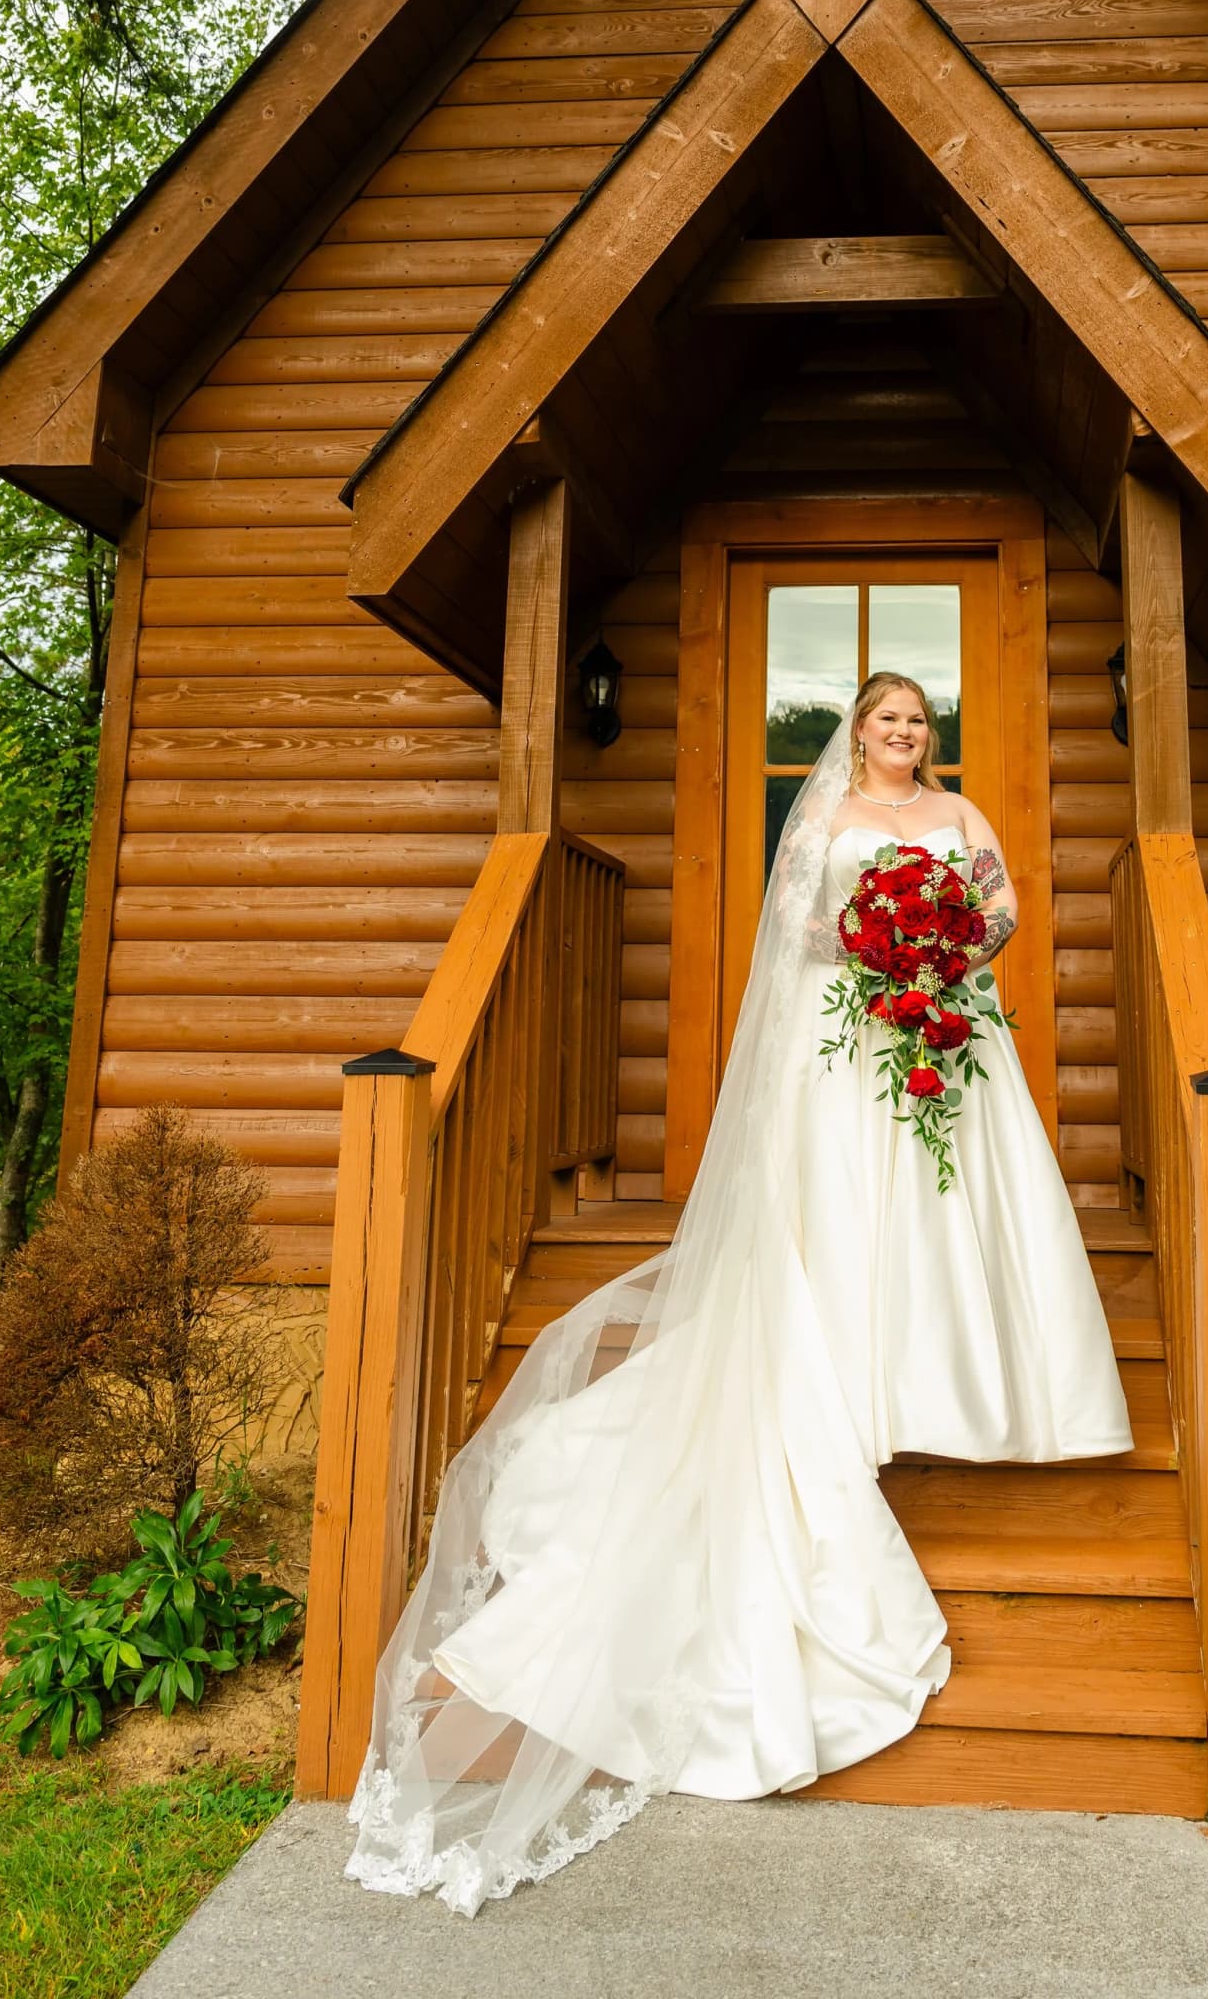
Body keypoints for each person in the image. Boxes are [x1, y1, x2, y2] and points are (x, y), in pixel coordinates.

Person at [346, 674, 1130, 1912]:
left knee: (951, 1209)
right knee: (844, 1213)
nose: (905, 737)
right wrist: (878, 949)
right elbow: (797, 932)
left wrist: (943, 945)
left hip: (946, 1029)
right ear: (856, 734)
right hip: (846, 1031)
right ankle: (847, 1370)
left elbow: (1002, 916)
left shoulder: (965, 817)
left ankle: (959, 1377)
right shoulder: (820, 827)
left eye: (919, 723)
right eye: (887, 721)